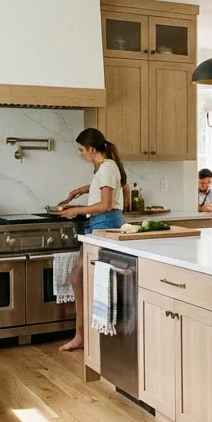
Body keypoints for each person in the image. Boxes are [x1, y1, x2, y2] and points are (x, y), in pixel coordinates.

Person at [55, 128, 126, 352]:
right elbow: (105, 190)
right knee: (78, 277)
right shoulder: (106, 167)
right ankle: (85, 335)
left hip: (104, 224)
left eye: (81, 150)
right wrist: (83, 190)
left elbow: (105, 205)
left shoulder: (106, 168)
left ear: (92, 149)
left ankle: (84, 336)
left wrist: (76, 210)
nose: (80, 154)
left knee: (79, 278)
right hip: (102, 223)